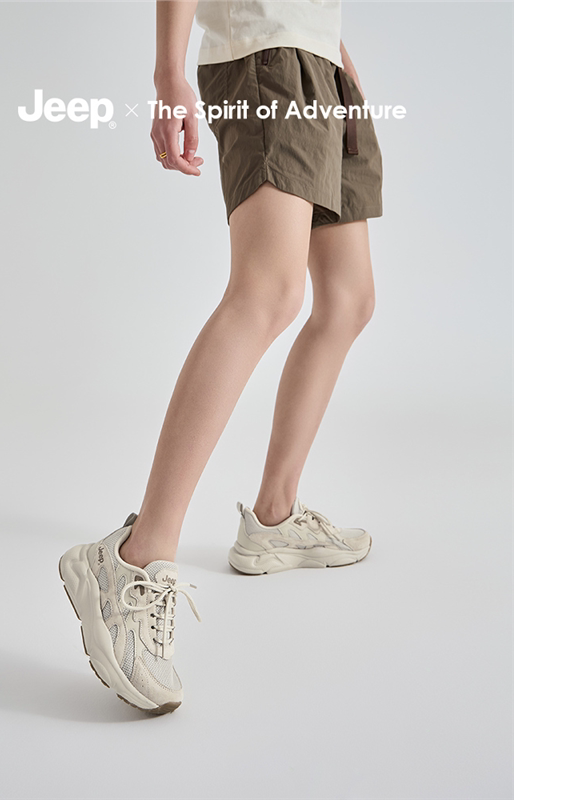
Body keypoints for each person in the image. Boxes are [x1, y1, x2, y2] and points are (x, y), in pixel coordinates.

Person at [59, 0, 383, 715]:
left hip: (321, 63)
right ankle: (133, 558)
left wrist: (338, 62)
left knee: (348, 300)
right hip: (268, 57)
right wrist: (168, 73)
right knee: (266, 293)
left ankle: (273, 519)